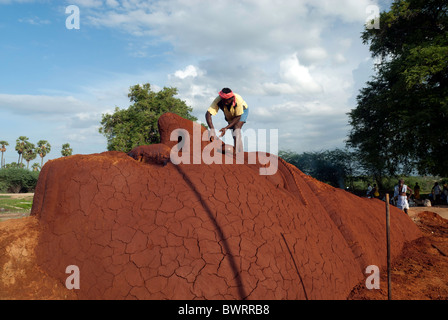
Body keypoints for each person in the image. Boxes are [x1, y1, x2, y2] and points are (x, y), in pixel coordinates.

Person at [205, 88, 249, 153]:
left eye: (226, 100)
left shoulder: (238, 100)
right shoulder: (219, 100)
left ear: (231, 98)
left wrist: (226, 128)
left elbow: (238, 117)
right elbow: (208, 114)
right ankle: (240, 151)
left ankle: (238, 153)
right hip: (229, 112)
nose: (224, 102)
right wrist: (212, 130)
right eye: (223, 100)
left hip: (242, 111)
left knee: (236, 129)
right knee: (234, 133)